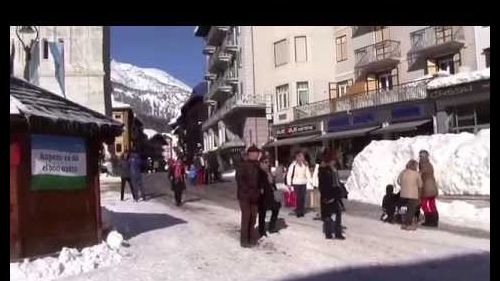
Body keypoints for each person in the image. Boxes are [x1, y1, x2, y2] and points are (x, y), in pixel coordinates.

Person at [236, 145, 263, 248]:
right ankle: (244, 240)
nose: (257, 155)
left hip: (255, 196)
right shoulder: (243, 165)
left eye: (258, 153)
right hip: (245, 196)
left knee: (253, 217)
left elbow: (260, 180)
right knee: (246, 217)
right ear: (250, 154)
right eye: (255, 153)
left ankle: (252, 238)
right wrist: (247, 190)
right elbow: (239, 180)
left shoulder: (257, 165)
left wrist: (260, 189)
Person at [318, 150, 345, 240]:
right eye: (333, 160)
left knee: (338, 212)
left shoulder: (334, 169)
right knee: (328, 215)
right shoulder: (323, 170)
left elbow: (336, 182)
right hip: (327, 195)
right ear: (329, 160)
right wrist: (326, 197)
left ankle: (338, 233)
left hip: (335, 194)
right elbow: (322, 185)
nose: (335, 161)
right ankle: (328, 233)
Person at [257, 155, 282, 237]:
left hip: (271, 195)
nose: (267, 164)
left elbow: (272, 183)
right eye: (265, 162)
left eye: (268, 162)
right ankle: (261, 230)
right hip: (262, 196)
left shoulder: (269, 172)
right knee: (262, 213)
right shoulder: (259, 172)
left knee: (276, 208)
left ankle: (271, 227)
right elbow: (258, 183)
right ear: (261, 163)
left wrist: (275, 188)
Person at [397, 159, 423, 231]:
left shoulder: (403, 172)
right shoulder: (417, 174)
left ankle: (403, 222)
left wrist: (404, 185)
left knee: (403, 208)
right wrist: (419, 195)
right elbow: (420, 185)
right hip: (413, 195)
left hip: (403, 194)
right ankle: (408, 224)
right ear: (414, 166)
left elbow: (398, 181)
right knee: (411, 210)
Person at [286, 151, 312, 218]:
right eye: (301, 156)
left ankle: (301, 211)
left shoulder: (305, 164)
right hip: (296, 183)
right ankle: (298, 211)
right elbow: (289, 174)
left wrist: (311, 181)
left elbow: (308, 173)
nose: (303, 157)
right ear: (298, 157)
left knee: (302, 197)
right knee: (298, 197)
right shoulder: (293, 165)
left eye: (303, 156)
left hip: (303, 182)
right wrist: (289, 183)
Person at [419, 150, 439, 227]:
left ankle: (429, 220)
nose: (420, 157)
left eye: (421, 156)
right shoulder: (429, 164)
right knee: (432, 204)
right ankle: (435, 221)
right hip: (432, 188)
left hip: (426, 189)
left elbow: (420, 175)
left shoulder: (423, 165)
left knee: (424, 204)